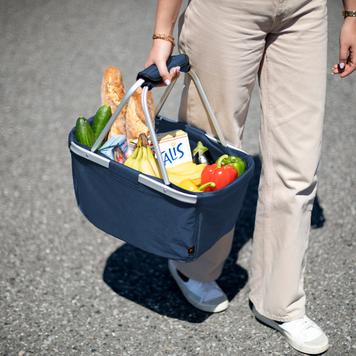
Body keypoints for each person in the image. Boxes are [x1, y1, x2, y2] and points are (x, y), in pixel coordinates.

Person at [145, 1, 356, 354]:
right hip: (226, 8)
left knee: (298, 159)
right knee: (212, 148)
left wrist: (352, 14)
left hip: (304, 10)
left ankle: (281, 302)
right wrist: (163, 31)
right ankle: (193, 267)